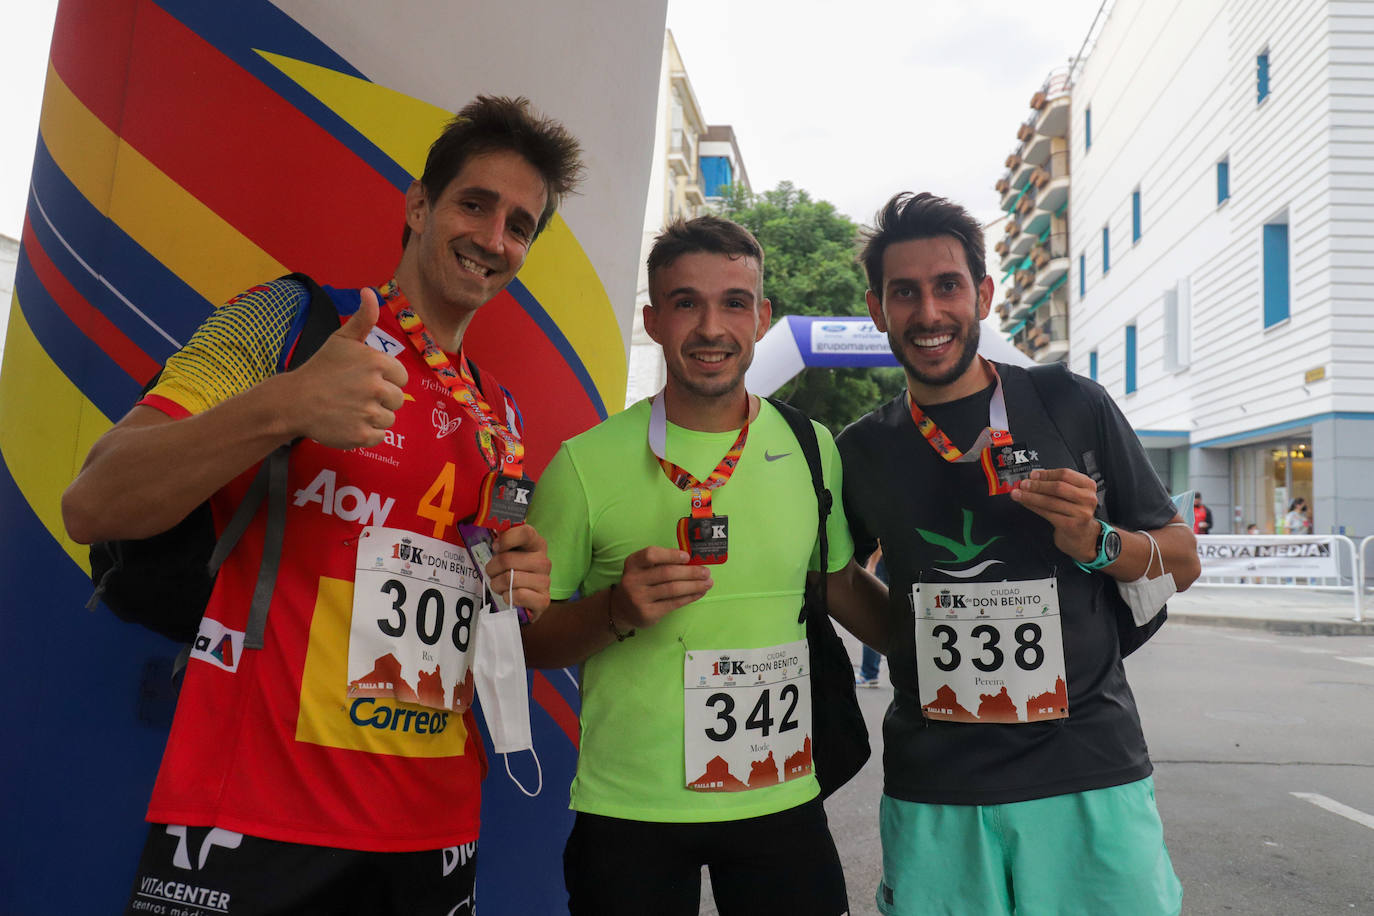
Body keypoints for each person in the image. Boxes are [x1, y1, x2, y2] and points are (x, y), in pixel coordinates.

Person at [61, 96, 582, 915]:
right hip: (255, 820)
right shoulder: (293, 320)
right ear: (419, 205)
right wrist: (287, 405)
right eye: (474, 203)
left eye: (520, 224)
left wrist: (517, 582)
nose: (493, 238)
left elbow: (465, 611)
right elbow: (95, 500)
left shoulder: (502, 415)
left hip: (433, 826)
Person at [837, 192, 1201, 916]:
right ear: (878, 308)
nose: (929, 313)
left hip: (1088, 772)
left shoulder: (1071, 404)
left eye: (948, 286)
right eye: (904, 293)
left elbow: (1180, 558)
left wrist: (1094, 542)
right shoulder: (863, 448)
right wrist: (910, 639)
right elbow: (835, 576)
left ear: (984, 294)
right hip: (938, 785)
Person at [520, 216, 888, 915]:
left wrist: (936, 653)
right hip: (631, 809)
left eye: (734, 303)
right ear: (654, 320)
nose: (711, 327)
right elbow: (528, 639)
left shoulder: (812, 447)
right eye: (686, 303)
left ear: (762, 317)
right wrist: (614, 611)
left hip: (781, 792)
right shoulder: (583, 463)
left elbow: (836, 583)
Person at [857, 546, 888, 687]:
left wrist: (871, 565)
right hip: (890, 561)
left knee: (874, 617)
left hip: (880, 562)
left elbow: (879, 540)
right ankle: (869, 672)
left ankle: (868, 673)